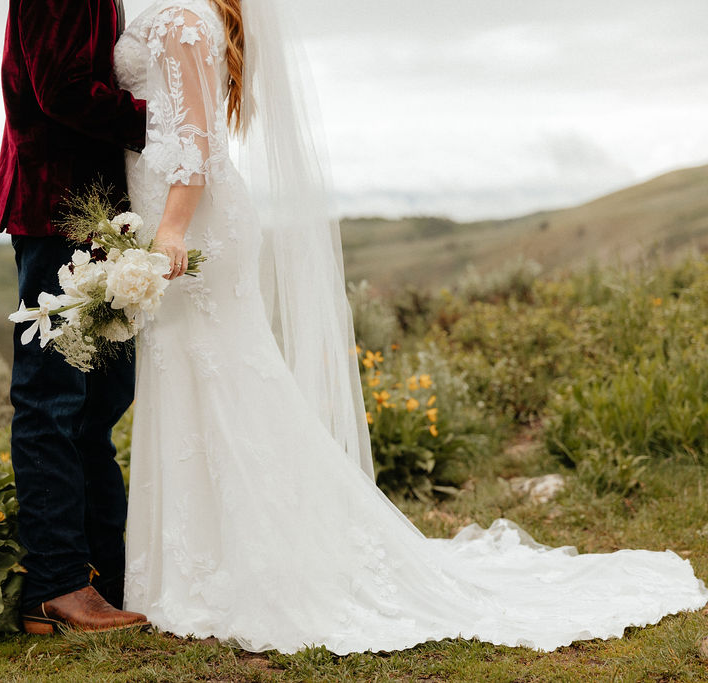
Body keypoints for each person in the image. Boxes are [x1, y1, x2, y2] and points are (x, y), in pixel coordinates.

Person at [113, 0, 708, 654]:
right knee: (202, 380)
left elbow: (194, 145)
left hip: (188, 227)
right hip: (182, 220)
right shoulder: (183, 13)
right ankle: (200, 563)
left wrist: (169, 229)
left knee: (224, 384)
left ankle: (236, 567)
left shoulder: (180, 19)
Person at [0, 0, 151, 634]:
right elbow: (59, 89)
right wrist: (158, 121)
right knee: (51, 398)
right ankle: (56, 584)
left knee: (99, 402)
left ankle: (103, 576)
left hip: (96, 214)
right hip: (57, 209)